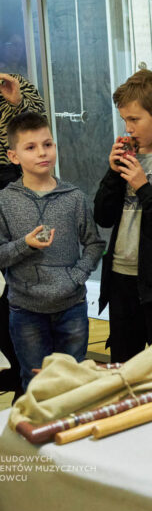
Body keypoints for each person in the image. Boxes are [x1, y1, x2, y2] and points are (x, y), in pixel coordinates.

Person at [0, 112, 105, 390]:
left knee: (74, 381)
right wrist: (26, 244)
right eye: (31, 147)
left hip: (71, 308)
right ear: (14, 156)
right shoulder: (5, 201)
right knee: (35, 382)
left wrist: (77, 277)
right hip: (26, 311)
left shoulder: (74, 198)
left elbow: (94, 244)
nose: (42, 153)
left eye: (47, 144)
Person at [94, 69, 152, 363]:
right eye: (124, 120)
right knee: (123, 369)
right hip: (121, 278)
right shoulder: (127, 155)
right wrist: (113, 172)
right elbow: (103, 216)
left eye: (134, 119)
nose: (128, 128)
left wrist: (143, 187)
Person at [0, 73, 45, 396]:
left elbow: (38, 128)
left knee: (19, 283)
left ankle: (25, 375)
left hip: (12, 181)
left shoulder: (15, 84)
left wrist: (16, 101)